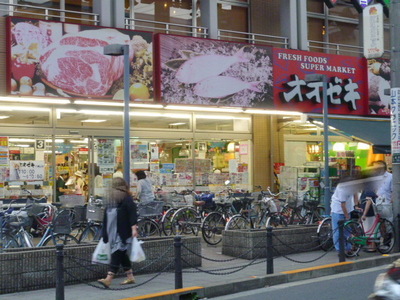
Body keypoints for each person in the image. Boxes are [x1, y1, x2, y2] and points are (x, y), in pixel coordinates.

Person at [98, 177, 138, 288]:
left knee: (117, 252)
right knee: (122, 253)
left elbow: (132, 214)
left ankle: (109, 278)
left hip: (122, 232)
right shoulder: (115, 199)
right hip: (113, 231)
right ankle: (130, 277)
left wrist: (134, 228)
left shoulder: (125, 199)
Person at [330, 175, 360, 254]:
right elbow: (342, 205)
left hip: (348, 208)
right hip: (338, 210)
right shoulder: (342, 189)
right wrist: (347, 216)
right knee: (337, 231)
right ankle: (340, 250)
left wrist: (356, 205)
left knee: (348, 230)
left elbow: (355, 194)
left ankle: (348, 248)